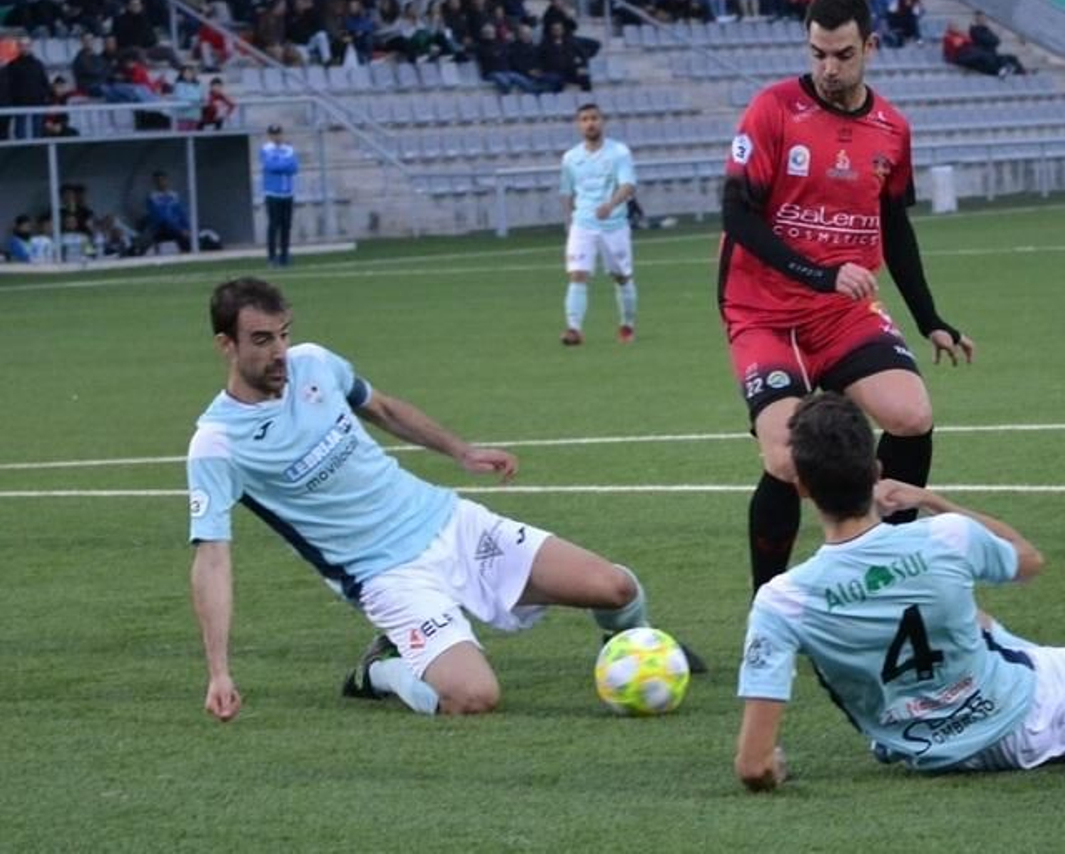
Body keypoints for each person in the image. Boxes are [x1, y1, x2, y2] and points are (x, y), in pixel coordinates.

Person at [187, 277, 705, 722]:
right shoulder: (217, 443)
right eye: (261, 340)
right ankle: (380, 669)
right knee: (473, 698)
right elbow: (211, 560)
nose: (280, 351)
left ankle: (632, 649)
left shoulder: (315, 363)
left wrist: (461, 450)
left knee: (617, 588)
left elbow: (383, 409)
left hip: (449, 521)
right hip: (387, 575)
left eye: (284, 333)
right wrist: (219, 672)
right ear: (225, 345)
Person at [734, 393, 1065, 791]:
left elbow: (754, 767)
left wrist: (772, 766)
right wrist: (933, 501)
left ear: (801, 486)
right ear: (876, 471)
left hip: (919, 747)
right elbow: (1028, 560)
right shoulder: (946, 535)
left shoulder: (782, 601)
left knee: (980, 623)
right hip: (1019, 719)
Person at [721, 0, 974, 595]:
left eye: (842, 54)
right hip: (764, 311)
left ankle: (883, 570)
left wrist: (930, 318)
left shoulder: (891, 128)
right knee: (787, 459)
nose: (828, 68)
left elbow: (895, 225)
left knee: (911, 417)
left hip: (844, 312)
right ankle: (769, 607)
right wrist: (820, 273)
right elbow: (737, 214)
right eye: (817, 54)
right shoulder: (774, 110)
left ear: (870, 47)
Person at [557, 103, 637, 346]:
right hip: (583, 224)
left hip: (614, 224)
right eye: (584, 119)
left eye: (594, 118)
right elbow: (566, 193)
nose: (589, 123)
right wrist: (569, 223)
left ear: (602, 122)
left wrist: (610, 205)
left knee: (621, 276)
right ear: (578, 125)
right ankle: (574, 329)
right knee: (577, 274)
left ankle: (627, 324)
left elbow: (628, 185)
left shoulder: (619, 152)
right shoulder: (570, 158)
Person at [260, 124, 298, 266]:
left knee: (286, 225)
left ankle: (284, 255)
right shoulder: (266, 149)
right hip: (272, 193)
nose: (277, 136)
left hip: (287, 193)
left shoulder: (289, 149)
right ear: (269, 136)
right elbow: (270, 167)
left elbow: (294, 167)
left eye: (279, 133)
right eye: (273, 134)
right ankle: (272, 256)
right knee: (273, 225)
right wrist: (284, 165)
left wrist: (280, 164)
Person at [142, 170, 193, 254]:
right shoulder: (152, 197)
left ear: (167, 180)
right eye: (158, 181)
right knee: (168, 225)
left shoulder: (174, 195)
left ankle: (189, 253)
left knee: (189, 233)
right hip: (161, 228)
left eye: (163, 180)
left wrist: (187, 228)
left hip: (176, 227)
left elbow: (181, 213)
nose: (161, 183)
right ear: (155, 182)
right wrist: (179, 229)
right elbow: (160, 217)